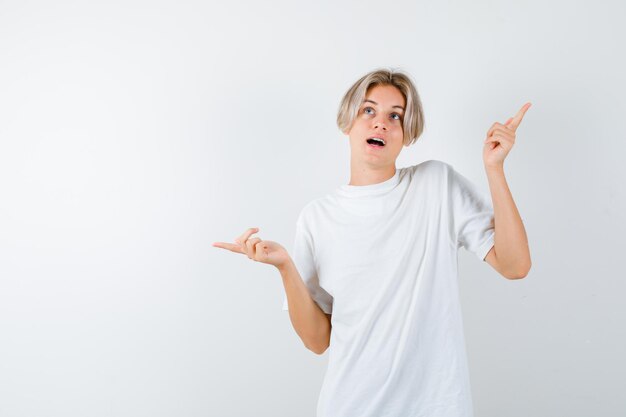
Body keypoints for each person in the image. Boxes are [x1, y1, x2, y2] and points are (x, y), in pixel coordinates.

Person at [213, 68, 532, 417]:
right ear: (347, 122)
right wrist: (285, 266)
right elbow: (317, 341)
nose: (381, 123)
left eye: (395, 116)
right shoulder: (317, 217)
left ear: (407, 133)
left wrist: (494, 169)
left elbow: (515, 266)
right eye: (369, 110)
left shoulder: (437, 184)